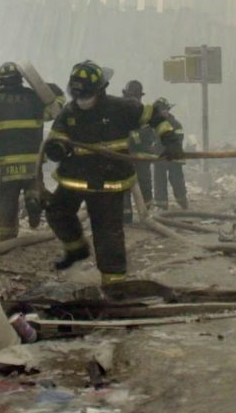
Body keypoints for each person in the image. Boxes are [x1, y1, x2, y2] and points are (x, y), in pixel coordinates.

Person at [44, 60, 184, 286]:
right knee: (56, 211)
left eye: (87, 95)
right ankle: (76, 249)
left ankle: (114, 283)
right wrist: (57, 148)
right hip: (76, 176)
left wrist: (171, 141)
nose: (82, 101)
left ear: (100, 90)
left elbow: (155, 115)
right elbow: (57, 137)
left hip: (109, 180)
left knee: (107, 233)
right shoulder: (69, 112)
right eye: (78, 95)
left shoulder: (122, 108)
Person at [0, 63, 62, 240]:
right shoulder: (35, 99)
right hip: (33, 160)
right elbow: (56, 111)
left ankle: (7, 238)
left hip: (8, 164)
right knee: (34, 185)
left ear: (1, 82)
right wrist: (52, 90)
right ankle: (33, 200)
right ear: (20, 80)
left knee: (7, 201)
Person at [121, 79, 157, 222]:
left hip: (140, 158)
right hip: (124, 157)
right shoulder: (119, 111)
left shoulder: (144, 113)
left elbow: (148, 134)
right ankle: (126, 215)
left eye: (135, 96)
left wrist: (133, 137)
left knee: (144, 184)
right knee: (124, 185)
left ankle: (145, 213)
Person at [153, 100, 190, 210]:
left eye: (163, 110)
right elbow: (152, 140)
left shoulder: (175, 124)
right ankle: (161, 205)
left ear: (167, 111)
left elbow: (178, 140)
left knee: (177, 180)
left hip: (174, 158)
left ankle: (182, 201)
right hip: (160, 158)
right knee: (159, 181)